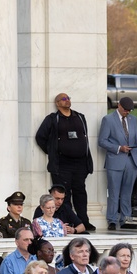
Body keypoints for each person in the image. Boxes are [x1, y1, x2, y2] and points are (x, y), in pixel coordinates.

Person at [36, 93, 95, 229]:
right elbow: (40, 137)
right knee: (64, 195)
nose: (67, 100)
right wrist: (52, 151)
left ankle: (83, 221)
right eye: (63, 99)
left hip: (80, 163)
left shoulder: (80, 117)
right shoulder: (52, 119)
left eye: (68, 98)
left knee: (80, 192)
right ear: (57, 103)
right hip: (62, 164)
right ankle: (68, 222)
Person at [97, 97, 137, 230]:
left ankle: (126, 219)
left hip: (131, 160)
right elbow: (102, 141)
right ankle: (112, 219)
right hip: (115, 160)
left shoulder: (133, 120)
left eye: (129, 110)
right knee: (114, 192)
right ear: (119, 106)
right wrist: (119, 148)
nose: (127, 112)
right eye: (125, 110)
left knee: (127, 192)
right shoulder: (108, 120)